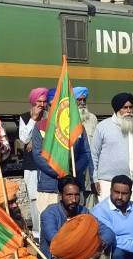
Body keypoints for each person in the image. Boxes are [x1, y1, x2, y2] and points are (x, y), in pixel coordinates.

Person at [28, 95, 92, 230]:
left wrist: (72, 171)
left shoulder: (78, 127)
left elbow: (85, 153)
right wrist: (59, 171)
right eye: (53, 105)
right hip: (49, 186)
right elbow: (38, 155)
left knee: (75, 227)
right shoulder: (40, 127)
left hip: (73, 185)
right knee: (49, 226)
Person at [91, 93, 133, 201]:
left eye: (130, 107)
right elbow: (93, 155)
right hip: (106, 183)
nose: (129, 111)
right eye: (125, 107)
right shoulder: (103, 127)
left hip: (131, 184)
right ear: (117, 109)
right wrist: (94, 179)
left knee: (131, 212)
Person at [18, 87, 49, 230]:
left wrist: (35, 141)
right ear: (33, 102)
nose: (42, 105)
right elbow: (24, 138)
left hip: (46, 163)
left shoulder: (49, 117)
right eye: (39, 102)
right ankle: (37, 231)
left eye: (44, 102)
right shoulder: (25, 117)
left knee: (47, 198)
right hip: (31, 166)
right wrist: (33, 119)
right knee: (34, 199)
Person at [39, 176, 88, 259]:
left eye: (76, 195)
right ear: (61, 195)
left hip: (79, 257)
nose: (74, 200)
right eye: (69, 195)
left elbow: (104, 230)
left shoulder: (84, 211)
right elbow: (55, 240)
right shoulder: (49, 213)